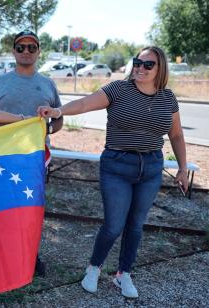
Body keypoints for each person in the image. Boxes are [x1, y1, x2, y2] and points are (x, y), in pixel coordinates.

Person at [39, 46, 188, 298]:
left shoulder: (168, 97)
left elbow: (176, 134)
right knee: (113, 225)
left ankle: (123, 274)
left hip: (151, 167)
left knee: (136, 225)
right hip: (117, 165)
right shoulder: (119, 89)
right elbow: (86, 103)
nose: (140, 67)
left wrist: (183, 168)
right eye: (137, 62)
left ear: (160, 68)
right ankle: (94, 268)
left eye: (147, 64)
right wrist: (58, 111)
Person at [0, 29, 64, 277]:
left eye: (31, 47)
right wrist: (16, 124)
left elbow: (58, 122)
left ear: (38, 52)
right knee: (1, 208)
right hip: (2, 158)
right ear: (13, 51)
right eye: (21, 47)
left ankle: (30, 256)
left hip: (34, 159)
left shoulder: (48, 84)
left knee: (31, 208)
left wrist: (48, 123)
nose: (26, 52)